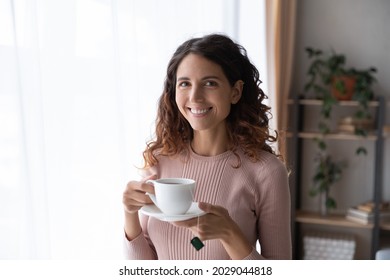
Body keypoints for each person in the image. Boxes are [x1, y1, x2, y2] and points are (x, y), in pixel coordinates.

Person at [122, 33, 291, 260]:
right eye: (185, 84)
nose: (195, 96)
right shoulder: (159, 161)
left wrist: (230, 233)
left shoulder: (266, 172)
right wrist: (129, 215)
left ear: (235, 92)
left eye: (210, 83)